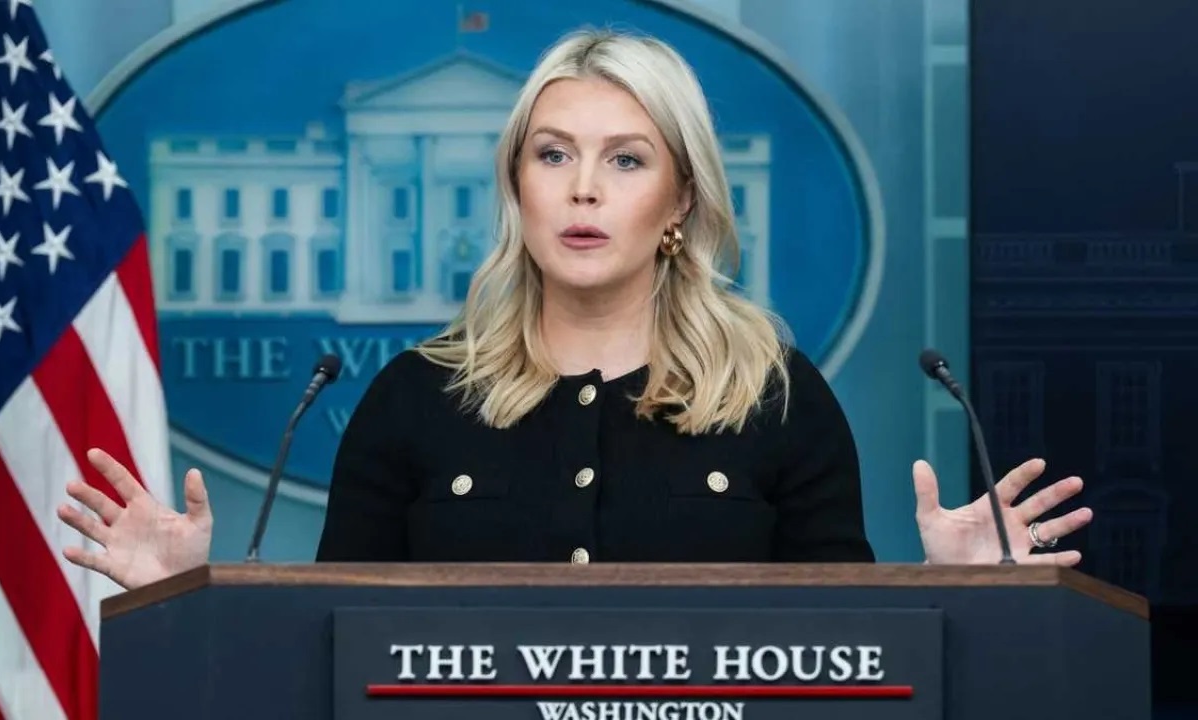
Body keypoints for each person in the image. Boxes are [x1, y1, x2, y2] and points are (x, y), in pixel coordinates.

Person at [57, 28, 1092, 590]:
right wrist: (182, 600)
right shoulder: (413, 400)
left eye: (626, 160)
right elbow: (330, 652)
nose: (583, 189)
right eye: (553, 155)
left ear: (679, 198)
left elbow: (843, 665)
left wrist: (961, 598)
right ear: (517, 186)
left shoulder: (776, 398)